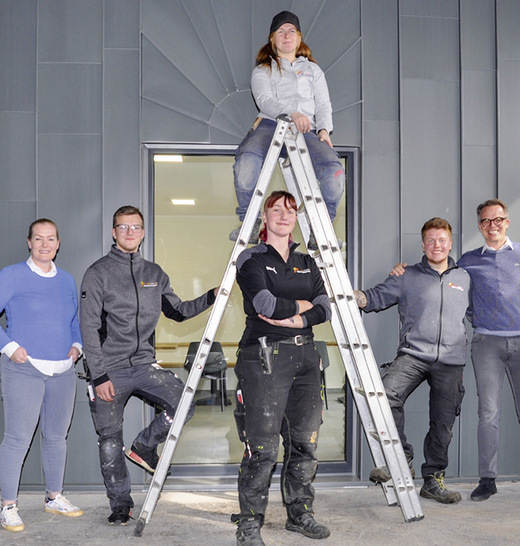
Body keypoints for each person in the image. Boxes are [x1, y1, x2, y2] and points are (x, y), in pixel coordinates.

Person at [80, 205, 217, 525]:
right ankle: (119, 503)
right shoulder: (98, 273)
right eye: (123, 227)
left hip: (144, 364)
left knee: (184, 403)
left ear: (143, 233)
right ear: (113, 233)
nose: (130, 232)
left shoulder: (154, 274)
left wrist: (212, 295)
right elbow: (88, 328)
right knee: (110, 438)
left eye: (136, 227)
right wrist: (98, 375)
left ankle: (144, 445)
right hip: (109, 369)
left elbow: (178, 311)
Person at [232, 190, 332, 545]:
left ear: (297, 219)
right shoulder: (251, 258)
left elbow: (325, 308)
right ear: (264, 217)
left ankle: (300, 512)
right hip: (264, 357)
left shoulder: (308, 261)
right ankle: (249, 521)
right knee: (261, 447)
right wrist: (302, 310)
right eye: (276, 209)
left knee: (304, 441)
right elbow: (263, 304)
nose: (283, 215)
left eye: (290, 210)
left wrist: (295, 312)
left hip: (306, 358)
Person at [354, 218, 470, 504]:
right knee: (385, 394)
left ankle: (433, 480)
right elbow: (376, 298)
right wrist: (355, 297)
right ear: (423, 244)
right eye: (430, 240)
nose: (436, 245)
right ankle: (401, 460)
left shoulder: (465, 277)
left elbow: (478, 311)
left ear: (450, 242)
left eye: (441, 239)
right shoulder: (407, 274)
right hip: (414, 354)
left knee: (442, 424)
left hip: (452, 361)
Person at [229, 10, 344, 246]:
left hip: (306, 132)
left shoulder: (313, 70)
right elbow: (264, 99)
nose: (286, 35)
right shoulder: (264, 69)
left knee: (335, 172)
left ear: (299, 38)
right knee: (247, 163)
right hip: (271, 125)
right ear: (273, 39)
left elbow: (323, 104)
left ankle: (321, 230)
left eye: (292, 31)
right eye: (281, 31)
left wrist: (324, 129)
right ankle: (248, 223)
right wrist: (292, 114)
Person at [0, 219, 84, 533]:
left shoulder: (66, 280)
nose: (45, 244)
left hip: (63, 372)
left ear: (58, 243)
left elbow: (74, 321)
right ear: (29, 242)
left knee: (56, 438)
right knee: (17, 440)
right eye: (39, 238)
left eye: (50, 239)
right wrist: (9, 347)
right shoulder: (11, 275)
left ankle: (54, 497)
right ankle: (8, 506)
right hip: (24, 370)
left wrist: (77, 346)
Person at [457, 199, 520, 501]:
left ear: (507, 222)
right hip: (487, 344)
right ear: (480, 226)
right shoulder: (469, 260)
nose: (492, 225)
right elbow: (443, 280)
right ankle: (488, 479)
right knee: (488, 413)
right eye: (486, 221)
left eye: (498, 219)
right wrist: (404, 269)